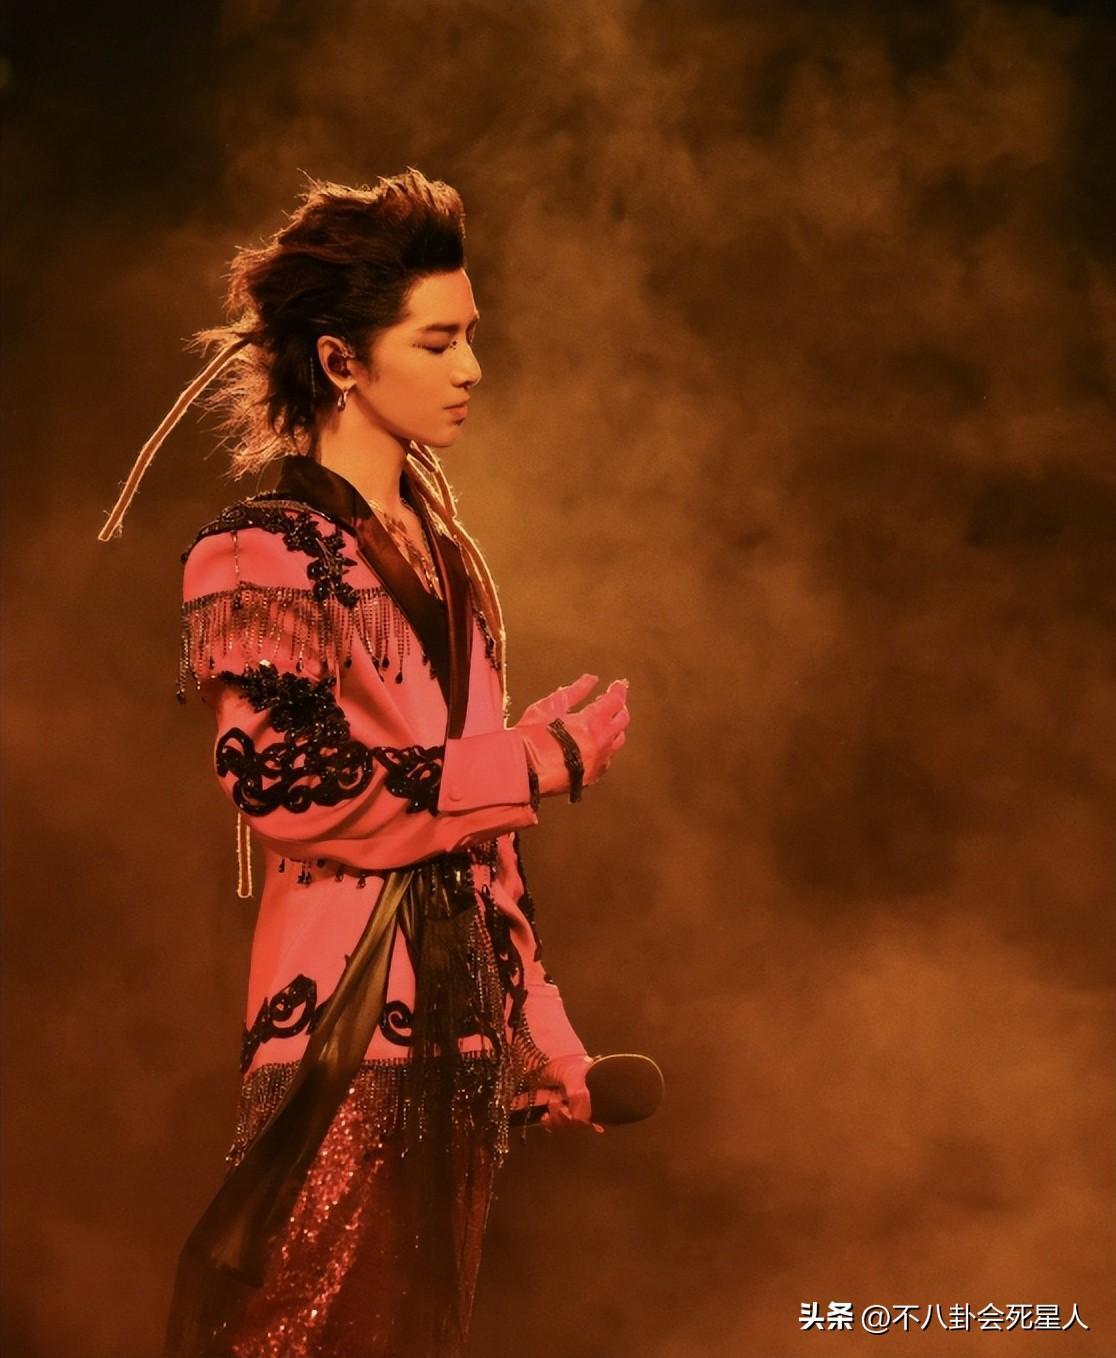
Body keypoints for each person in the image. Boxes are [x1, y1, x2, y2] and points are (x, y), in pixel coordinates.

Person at [97, 169, 632, 1357]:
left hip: (463, 1049)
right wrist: (532, 758)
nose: (470, 367)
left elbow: (484, 847)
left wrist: (548, 1039)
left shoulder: (453, 560)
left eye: (470, 336)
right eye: (437, 341)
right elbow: (289, 785)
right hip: (341, 1042)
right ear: (341, 360)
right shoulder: (258, 550)